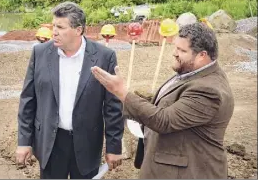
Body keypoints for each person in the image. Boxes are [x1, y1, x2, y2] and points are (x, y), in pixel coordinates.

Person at [91, 22, 234, 179]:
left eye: (182, 50)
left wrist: (122, 93)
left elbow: (164, 121)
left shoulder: (208, 90)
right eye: (175, 47)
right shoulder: (192, 72)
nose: (175, 53)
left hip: (188, 173)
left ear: (202, 55)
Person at [16, 1, 124, 179]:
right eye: (53, 26)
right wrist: (24, 142)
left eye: (60, 27)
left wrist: (114, 147)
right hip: (51, 143)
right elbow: (28, 100)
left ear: (78, 30)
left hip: (87, 144)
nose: (54, 32)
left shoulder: (104, 57)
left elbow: (112, 107)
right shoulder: (40, 53)